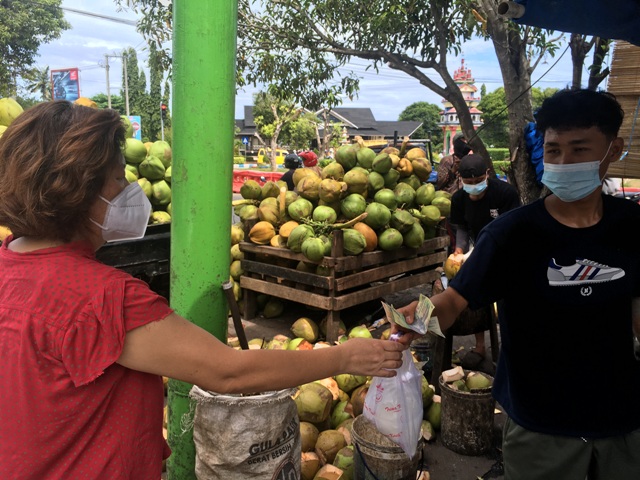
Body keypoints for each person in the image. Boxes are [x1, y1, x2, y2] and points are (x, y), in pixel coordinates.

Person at [0, 101, 405, 479]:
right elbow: (225, 371)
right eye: (118, 176)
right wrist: (345, 356)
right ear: (79, 190)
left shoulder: (8, 265)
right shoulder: (102, 295)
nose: (129, 188)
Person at [398, 89, 640, 480]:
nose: (563, 162)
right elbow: (457, 300)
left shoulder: (632, 227)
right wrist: (415, 317)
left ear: (613, 149)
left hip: (623, 418)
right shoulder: (510, 234)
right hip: (540, 423)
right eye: (554, 150)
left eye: (579, 150)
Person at [449, 153, 521, 368]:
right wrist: (460, 250)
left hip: (505, 251)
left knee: (507, 300)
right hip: (475, 250)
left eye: (478, 181)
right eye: (468, 183)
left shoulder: (505, 193)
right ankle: (480, 347)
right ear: (461, 180)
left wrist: (488, 250)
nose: (474, 186)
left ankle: (511, 349)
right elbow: (461, 228)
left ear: (487, 175)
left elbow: (513, 228)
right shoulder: (458, 199)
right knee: (474, 297)